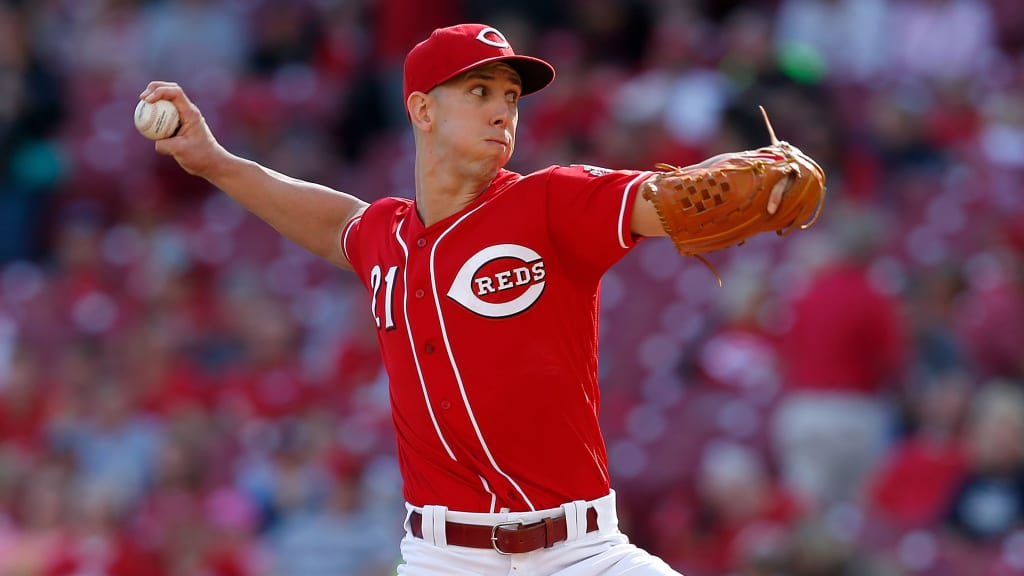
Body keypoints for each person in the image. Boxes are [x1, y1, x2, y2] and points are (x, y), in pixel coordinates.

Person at [140, 22, 809, 575]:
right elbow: (333, 220)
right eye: (479, 90)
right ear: (422, 110)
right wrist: (215, 161)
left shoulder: (550, 201)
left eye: (512, 96)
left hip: (581, 553)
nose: (502, 110)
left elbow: (654, 200)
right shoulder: (386, 237)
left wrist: (732, 186)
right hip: (444, 559)